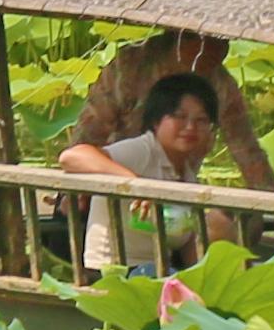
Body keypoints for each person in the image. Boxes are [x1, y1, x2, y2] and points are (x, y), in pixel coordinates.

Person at [68, 27, 274, 195]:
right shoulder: (130, 68)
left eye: (224, 41)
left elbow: (247, 151)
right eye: (212, 40)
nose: (219, 50)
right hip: (114, 180)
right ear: (181, 37)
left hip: (178, 188)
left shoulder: (221, 85)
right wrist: (127, 183)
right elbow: (84, 142)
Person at [55, 71, 229, 272]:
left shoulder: (187, 176)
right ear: (156, 121)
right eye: (179, 117)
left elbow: (191, 251)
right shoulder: (142, 151)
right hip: (115, 272)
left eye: (201, 120)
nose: (190, 127)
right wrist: (135, 184)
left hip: (158, 271)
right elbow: (71, 157)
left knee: (219, 224)